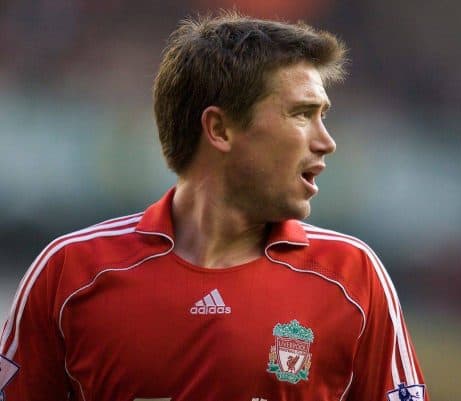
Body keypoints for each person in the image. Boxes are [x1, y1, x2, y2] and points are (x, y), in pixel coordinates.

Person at [0, 11, 428, 401]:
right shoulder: (70, 273)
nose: (326, 141)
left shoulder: (353, 277)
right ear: (220, 129)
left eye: (324, 116)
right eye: (302, 114)